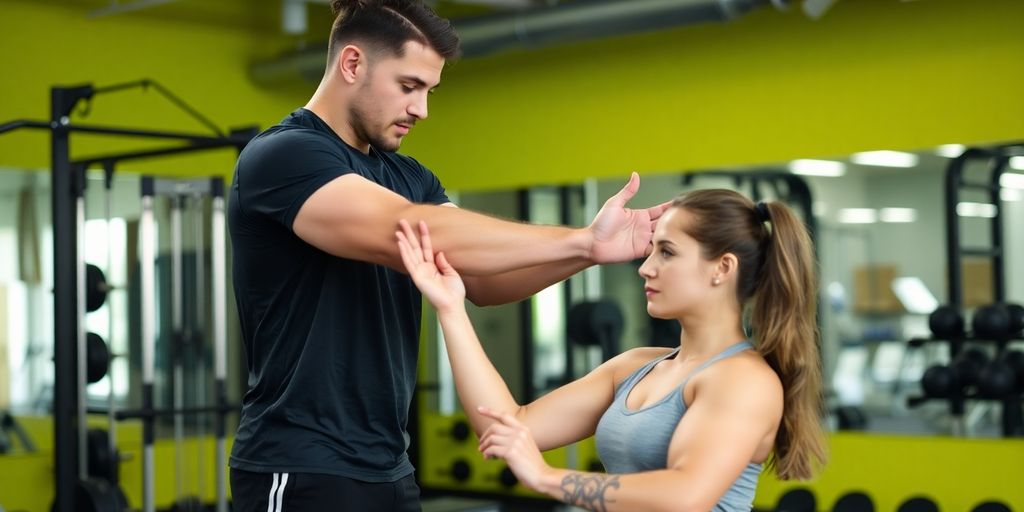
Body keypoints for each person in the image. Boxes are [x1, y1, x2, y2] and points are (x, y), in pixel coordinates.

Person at [226, 1, 670, 510]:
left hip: (389, 462)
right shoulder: (284, 156)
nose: (422, 110)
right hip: (299, 464)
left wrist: (591, 252)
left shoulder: (410, 176)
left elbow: (479, 279)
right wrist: (579, 240)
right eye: (409, 86)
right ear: (352, 64)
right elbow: (418, 230)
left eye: (429, 91)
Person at [397, 188, 828, 511]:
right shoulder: (637, 366)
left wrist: (548, 478)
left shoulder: (743, 380)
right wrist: (451, 309)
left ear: (722, 268)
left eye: (667, 252)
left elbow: (685, 495)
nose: (645, 266)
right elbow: (510, 425)